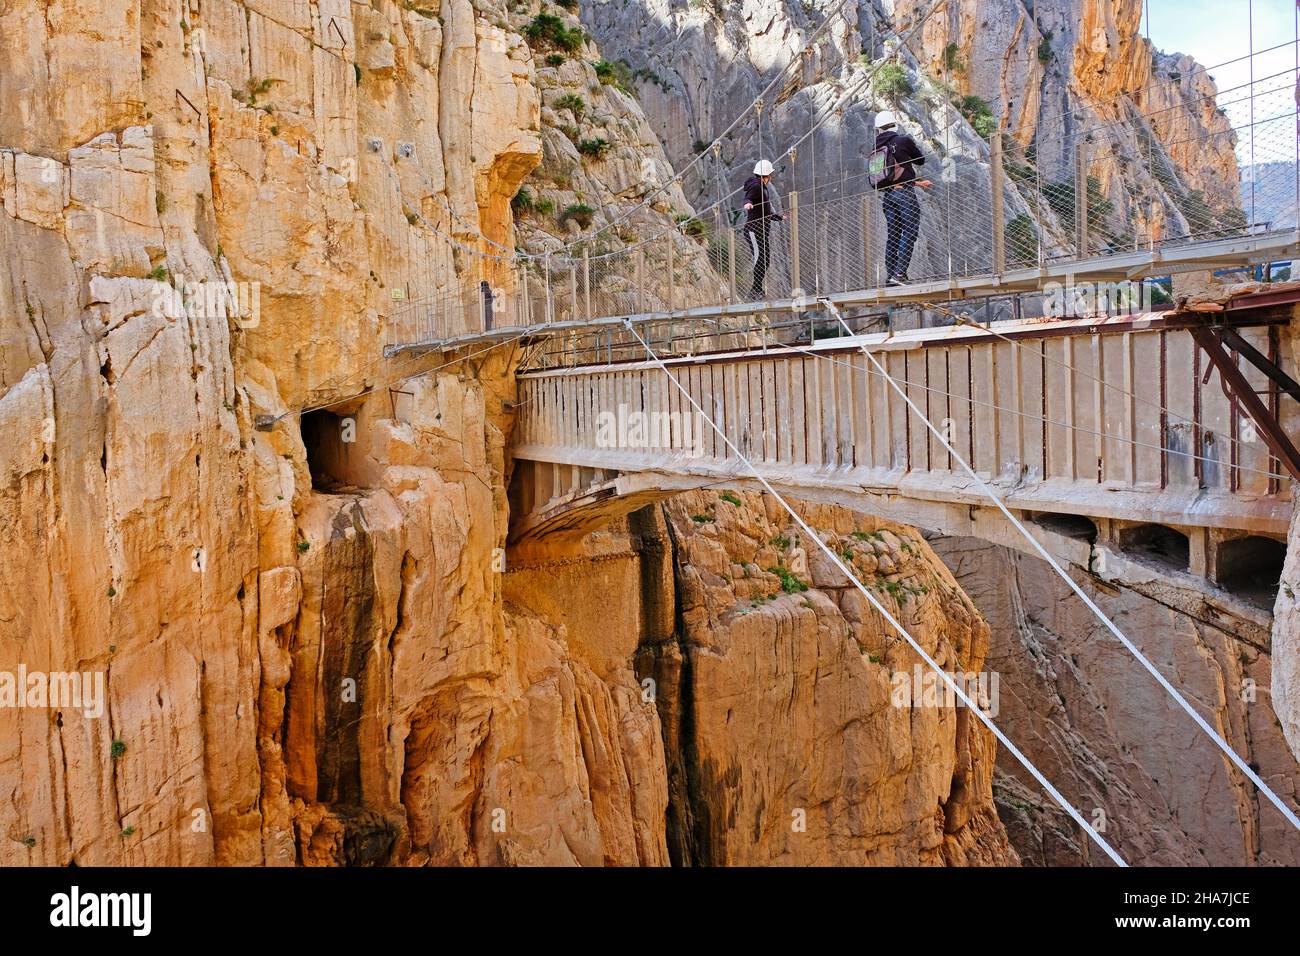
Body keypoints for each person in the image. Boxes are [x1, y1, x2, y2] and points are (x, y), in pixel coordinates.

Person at [870, 110, 932, 286]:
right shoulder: (902, 141)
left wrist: (919, 183)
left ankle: (891, 275)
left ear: (878, 129)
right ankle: (899, 274)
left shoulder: (876, 148)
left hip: (888, 196)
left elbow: (890, 174)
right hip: (904, 194)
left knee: (894, 235)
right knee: (910, 231)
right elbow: (920, 160)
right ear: (894, 125)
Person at [742, 159, 784, 300]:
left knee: (765, 260)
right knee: (760, 258)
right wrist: (748, 204)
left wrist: (778, 218)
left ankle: (756, 289)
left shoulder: (762, 188)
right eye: (770, 175)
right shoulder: (756, 186)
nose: (771, 178)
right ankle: (755, 291)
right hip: (753, 230)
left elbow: (766, 212)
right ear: (766, 176)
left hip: (761, 231)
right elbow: (748, 198)